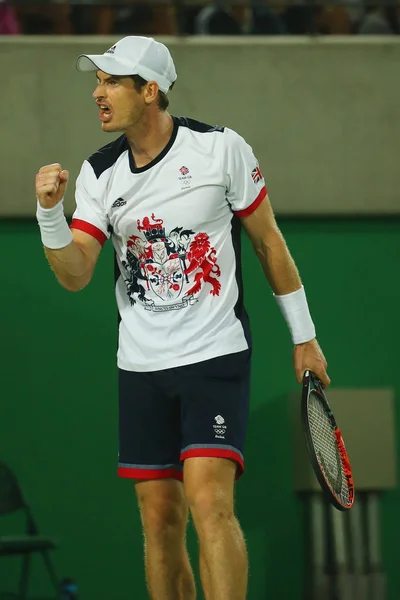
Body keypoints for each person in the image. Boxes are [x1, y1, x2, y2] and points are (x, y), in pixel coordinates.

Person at [35, 35, 330, 600]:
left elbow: (269, 244)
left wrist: (305, 337)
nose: (97, 93)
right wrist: (52, 216)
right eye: (97, 82)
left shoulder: (221, 150)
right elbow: (75, 273)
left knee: (210, 503)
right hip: (140, 364)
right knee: (158, 519)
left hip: (213, 354)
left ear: (151, 91)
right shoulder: (99, 174)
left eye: (111, 82)